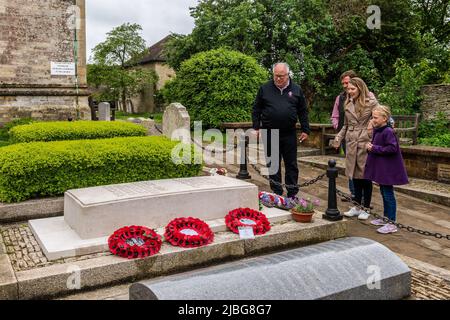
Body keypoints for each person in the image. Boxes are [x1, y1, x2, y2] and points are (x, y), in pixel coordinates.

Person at [252, 62, 310, 199]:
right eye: (276, 76)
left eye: (281, 76)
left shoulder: (296, 89)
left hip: (289, 133)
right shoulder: (264, 88)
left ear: (287, 74)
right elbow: (256, 109)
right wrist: (256, 127)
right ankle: (276, 191)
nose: (278, 79)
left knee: (291, 163)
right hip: (270, 132)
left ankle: (292, 193)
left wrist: (305, 129)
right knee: (273, 164)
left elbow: (303, 111)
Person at [333, 77, 378, 219]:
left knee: (365, 177)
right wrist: (338, 137)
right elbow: (345, 125)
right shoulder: (347, 102)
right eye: (348, 89)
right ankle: (357, 205)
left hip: (365, 141)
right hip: (352, 141)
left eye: (352, 89)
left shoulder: (371, 102)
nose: (349, 91)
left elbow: (381, 117)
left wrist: (372, 127)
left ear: (360, 88)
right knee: (355, 176)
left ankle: (366, 208)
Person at [364, 105, 409, 234]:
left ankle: (392, 222)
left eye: (376, 118)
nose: (373, 120)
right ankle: (386, 218)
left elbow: (392, 148)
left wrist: (374, 148)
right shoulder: (378, 129)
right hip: (382, 168)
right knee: (384, 193)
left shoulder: (388, 131)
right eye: (372, 117)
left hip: (388, 169)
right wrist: (370, 147)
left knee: (388, 195)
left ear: (385, 118)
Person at [331, 70, 358, 200]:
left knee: (361, 166)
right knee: (350, 164)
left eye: (347, 82)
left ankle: (362, 196)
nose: (345, 86)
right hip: (345, 136)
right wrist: (339, 128)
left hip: (361, 137)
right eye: (343, 83)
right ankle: (353, 193)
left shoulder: (366, 96)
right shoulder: (340, 97)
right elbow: (335, 115)